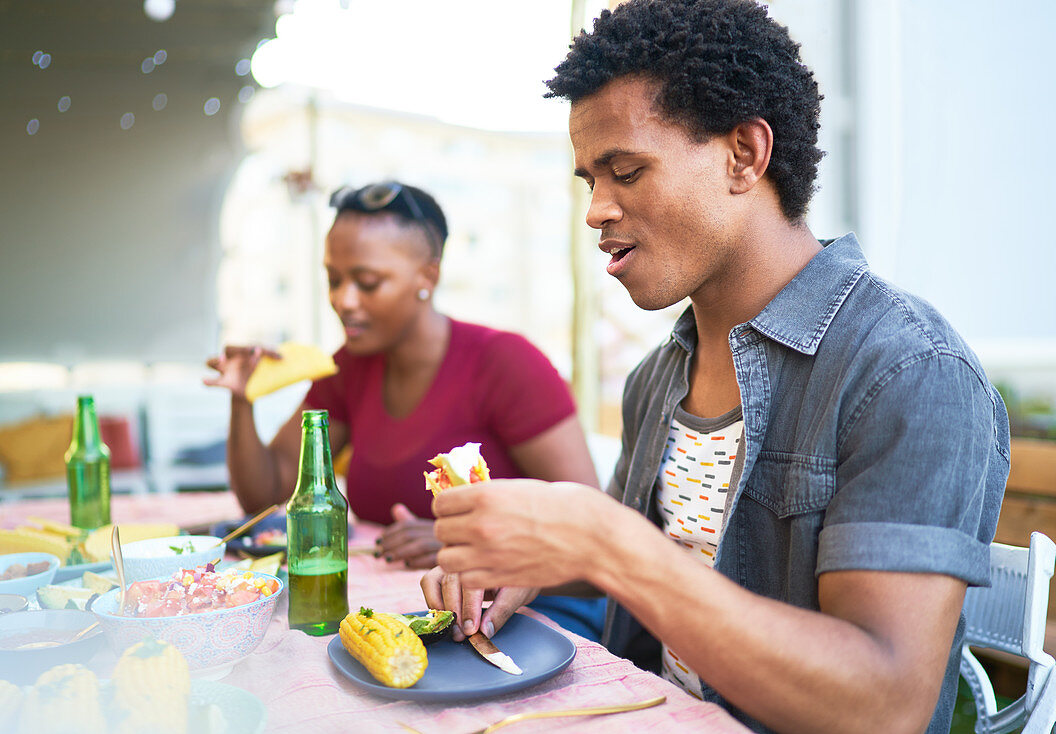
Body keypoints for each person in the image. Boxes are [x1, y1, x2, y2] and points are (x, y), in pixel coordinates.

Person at [422, 2, 1009, 732]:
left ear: (744, 155)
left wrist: (607, 541)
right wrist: (534, 559)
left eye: (626, 171)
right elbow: (670, 560)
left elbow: (884, 703)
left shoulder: (908, 373)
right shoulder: (658, 378)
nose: (596, 210)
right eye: (588, 181)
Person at [205, 180, 606, 638]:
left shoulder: (506, 363)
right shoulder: (349, 367)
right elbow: (271, 493)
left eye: (367, 282)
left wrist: (456, 541)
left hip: (535, 621)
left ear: (428, 277)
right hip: (416, 615)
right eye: (334, 280)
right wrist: (242, 399)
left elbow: (593, 540)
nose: (343, 300)